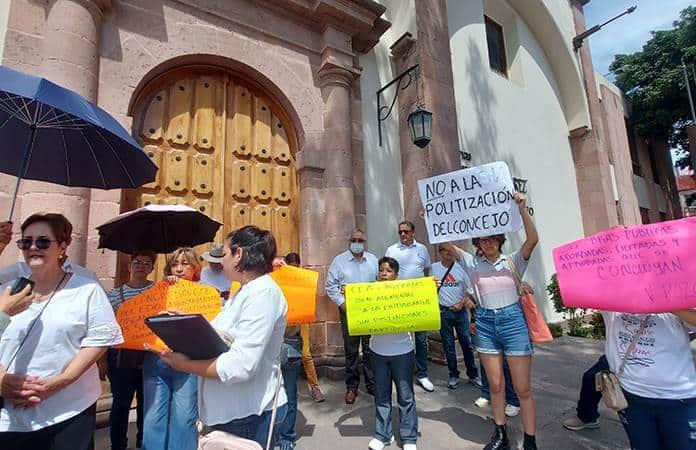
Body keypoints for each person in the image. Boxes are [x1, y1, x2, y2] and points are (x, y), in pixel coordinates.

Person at [154, 226, 288, 447]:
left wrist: (184, 365)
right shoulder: (244, 291)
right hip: (230, 413)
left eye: (224, 254)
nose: (221, 262)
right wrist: (186, 322)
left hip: (248, 414)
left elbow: (241, 365)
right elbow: (223, 336)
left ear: (239, 254)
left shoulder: (263, 293)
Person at [0, 213, 123, 450]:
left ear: (63, 246)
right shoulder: (7, 288)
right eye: (26, 242)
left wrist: (62, 381)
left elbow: (99, 338)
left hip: (68, 408)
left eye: (43, 241)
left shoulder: (85, 287)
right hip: (10, 414)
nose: (33, 247)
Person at [442, 192, 539, 450]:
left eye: (492, 238)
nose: (487, 243)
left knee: (522, 387)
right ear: (478, 242)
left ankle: (530, 440)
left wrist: (521, 208)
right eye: (483, 239)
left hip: (512, 321)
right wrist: (433, 217)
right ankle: (500, 434)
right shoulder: (472, 263)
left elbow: (533, 239)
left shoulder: (513, 260)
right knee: (495, 384)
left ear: (499, 239)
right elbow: (447, 244)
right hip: (484, 323)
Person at [601, 311, 696, 449]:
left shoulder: (676, 297)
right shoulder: (611, 304)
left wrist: (667, 303)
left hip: (679, 399)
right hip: (630, 396)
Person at [142, 247, 201, 450]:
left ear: (195, 268)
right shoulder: (159, 290)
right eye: (175, 264)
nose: (179, 269)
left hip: (188, 363)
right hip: (157, 360)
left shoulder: (205, 293)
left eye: (185, 264)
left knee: (184, 418)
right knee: (153, 418)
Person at [105, 251, 157, 450]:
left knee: (146, 404)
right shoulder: (113, 296)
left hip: (149, 355)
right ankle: (117, 445)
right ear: (129, 266)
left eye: (146, 263)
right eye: (137, 262)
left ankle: (143, 442)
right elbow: (106, 328)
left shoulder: (160, 291)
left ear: (152, 268)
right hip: (120, 357)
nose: (141, 266)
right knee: (120, 404)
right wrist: (101, 360)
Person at [368, 257, 418, 450]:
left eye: (388, 271)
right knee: (381, 394)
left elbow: (422, 301)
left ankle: (409, 438)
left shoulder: (405, 292)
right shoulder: (371, 291)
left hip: (403, 351)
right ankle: (382, 435)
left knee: (405, 396)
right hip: (377, 351)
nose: (384, 274)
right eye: (381, 270)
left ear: (396, 274)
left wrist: (431, 287)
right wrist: (347, 293)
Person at [325, 228, 377, 404]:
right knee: (352, 350)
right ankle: (352, 387)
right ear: (349, 242)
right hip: (348, 311)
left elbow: (380, 284)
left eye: (360, 240)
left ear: (365, 242)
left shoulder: (373, 261)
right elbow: (330, 286)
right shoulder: (339, 261)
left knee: (371, 349)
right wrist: (343, 304)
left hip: (370, 312)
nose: (357, 243)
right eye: (354, 240)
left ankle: (372, 384)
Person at [385, 221, 433, 392]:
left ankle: (422, 374)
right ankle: (399, 373)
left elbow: (427, 271)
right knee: (398, 335)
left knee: (420, 338)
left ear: (413, 232)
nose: (403, 234)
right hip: (398, 300)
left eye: (406, 231)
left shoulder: (422, 249)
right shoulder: (392, 250)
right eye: (400, 232)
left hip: (419, 300)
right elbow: (386, 273)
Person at [432, 244, 481, 390]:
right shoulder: (433, 268)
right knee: (448, 345)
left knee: (466, 343)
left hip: (460, 312)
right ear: (440, 253)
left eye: (450, 251)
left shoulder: (461, 268)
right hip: (444, 312)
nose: (448, 253)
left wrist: (461, 303)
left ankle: (473, 374)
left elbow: (469, 289)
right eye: (445, 251)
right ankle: (453, 374)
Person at [284, 252, 326, 402]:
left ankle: (315, 387)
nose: (294, 269)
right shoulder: (280, 279)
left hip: (300, 320)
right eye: (291, 267)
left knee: (306, 354)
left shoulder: (303, 279)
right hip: (284, 321)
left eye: (296, 267)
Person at [562, 355, 608, 431]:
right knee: (591, 378)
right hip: (618, 354)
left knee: (631, 398)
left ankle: (587, 416)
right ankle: (587, 417)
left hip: (630, 361)